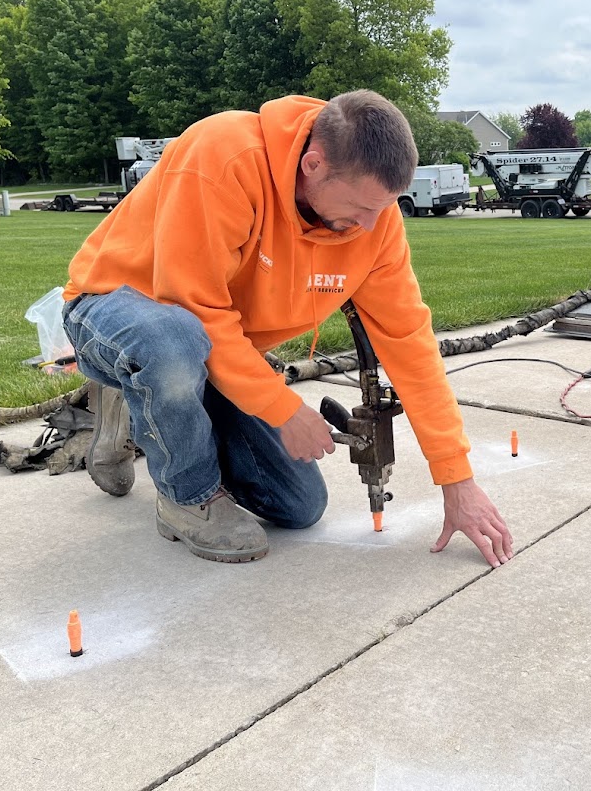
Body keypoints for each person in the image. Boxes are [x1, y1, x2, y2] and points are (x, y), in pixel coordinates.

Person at [63, 91, 513, 565]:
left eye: (385, 207)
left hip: (211, 347)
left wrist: (456, 479)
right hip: (118, 309)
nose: (371, 225)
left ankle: (145, 411)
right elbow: (194, 307)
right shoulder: (224, 156)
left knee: (299, 505)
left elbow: (410, 346)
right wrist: (281, 409)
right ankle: (186, 496)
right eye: (361, 207)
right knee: (170, 343)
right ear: (314, 164)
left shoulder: (374, 222)